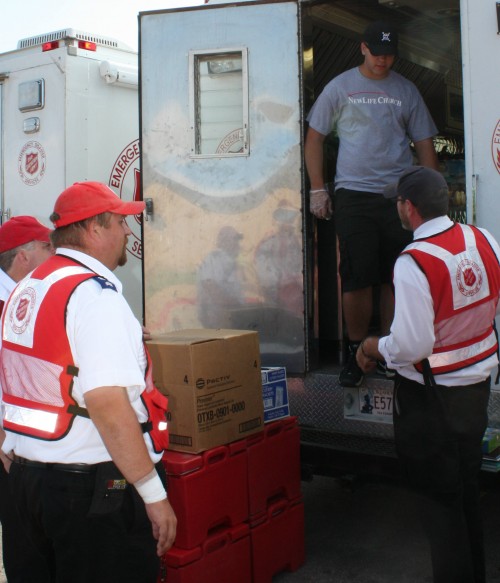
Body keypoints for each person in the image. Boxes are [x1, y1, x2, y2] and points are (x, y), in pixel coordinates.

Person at [0, 182, 177, 583]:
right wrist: (153, 494)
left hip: (29, 485)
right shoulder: (94, 297)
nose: (128, 232)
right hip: (92, 493)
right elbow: (108, 407)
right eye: (120, 222)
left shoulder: (28, 289)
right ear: (94, 230)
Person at [356, 166, 500, 583]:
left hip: (431, 404)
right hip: (475, 390)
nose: (397, 208)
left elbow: (411, 347)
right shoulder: (483, 238)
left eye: (398, 201)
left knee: (440, 509)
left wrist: (371, 347)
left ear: (410, 208)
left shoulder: (413, 262)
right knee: (465, 493)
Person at [304, 20, 439, 387]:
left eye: (389, 54)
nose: (383, 61)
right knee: (357, 277)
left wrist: (430, 195)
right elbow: (314, 137)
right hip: (354, 195)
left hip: (399, 196)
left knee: (396, 276)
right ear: (363, 48)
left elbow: (425, 143)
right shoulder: (341, 87)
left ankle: (390, 353)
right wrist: (318, 189)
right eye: (377, 53)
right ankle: (356, 352)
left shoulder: (406, 90)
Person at [0, 216, 53, 583]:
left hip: (21, 443)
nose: (54, 254)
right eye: (47, 247)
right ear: (24, 255)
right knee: (24, 546)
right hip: (8, 446)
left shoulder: (20, 297)